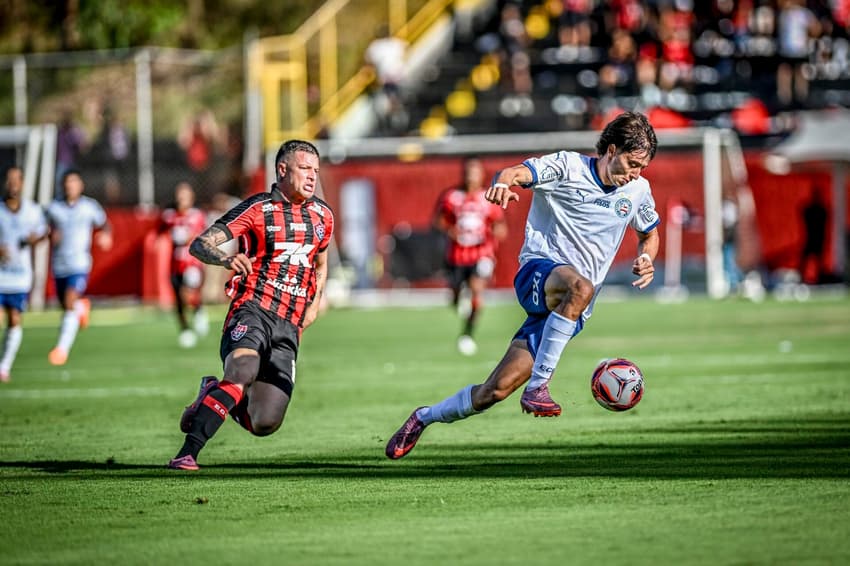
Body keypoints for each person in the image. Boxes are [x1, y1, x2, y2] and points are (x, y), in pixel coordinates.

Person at [385, 111, 660, 460]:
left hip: (569, 310)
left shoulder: (638, 190)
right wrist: (502, 183)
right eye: (632, 163)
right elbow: (515, 173)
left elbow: (649, 234)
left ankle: (423, 417)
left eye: (642, 168)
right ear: (611, 149)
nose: (636, 173)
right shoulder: (567, 167)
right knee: (581, 287)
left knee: (494, 391)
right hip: (537, 274)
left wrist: (647, 258)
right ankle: (539, 387)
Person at [168, 139, 334, 471]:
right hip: (252, 309)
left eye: (316, 170)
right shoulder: (257, 209)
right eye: (304, 168)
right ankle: (188, 452)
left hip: (289, 325)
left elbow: (320, 263)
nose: (313, 176)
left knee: (265, 422)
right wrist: (224, 258)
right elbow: (200, 244)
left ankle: (211, 394)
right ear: (282, 170)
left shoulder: (322, 216)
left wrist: (314, 305)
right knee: (243, 371)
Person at [433, 157, 507, 356]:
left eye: (475, 172)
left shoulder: (488, 197)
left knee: (477, 290)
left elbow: (499, 223)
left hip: (481, 254)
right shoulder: (451, 196)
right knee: (455, 295)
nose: (470, 176)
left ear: (481, 174)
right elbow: (439, 220)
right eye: (467, 172)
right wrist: (449, 231)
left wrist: (497, 232)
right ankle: (460, 300)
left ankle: (467, 335)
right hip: (457, 255)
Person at [46, 170, 112, 366]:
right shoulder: (53, 208)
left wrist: (106, 235)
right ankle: (80, 308)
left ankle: (61, 349)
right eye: (67, 183)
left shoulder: (89, 207)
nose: (70, 186)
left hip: (79, 263)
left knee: (68, 302)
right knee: (66, 306)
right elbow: (45, 228)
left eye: (73, 182)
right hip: (59, 264)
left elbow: (105, 224)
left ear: (80, 186)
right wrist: (50, 235)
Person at [0, 166, 48, 382]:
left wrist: (33, 240)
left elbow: (43, 232)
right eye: (9, 180)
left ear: (22, 183)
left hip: (20, 275)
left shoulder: (32, 210)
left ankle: (5, 366)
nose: (12, 185)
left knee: (15, 319)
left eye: (16, 180)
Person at [159, 182, 209, 348]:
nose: (181, 198)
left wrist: (189, 236)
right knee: (178, 299)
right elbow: (159, 231)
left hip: (192, 261)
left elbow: (202, 234)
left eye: (185, 194)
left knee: (187, 292)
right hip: (175, 263)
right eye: (179, 194)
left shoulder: (197, 215)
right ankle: (185, 328)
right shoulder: (169, 215)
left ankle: (198, 309)